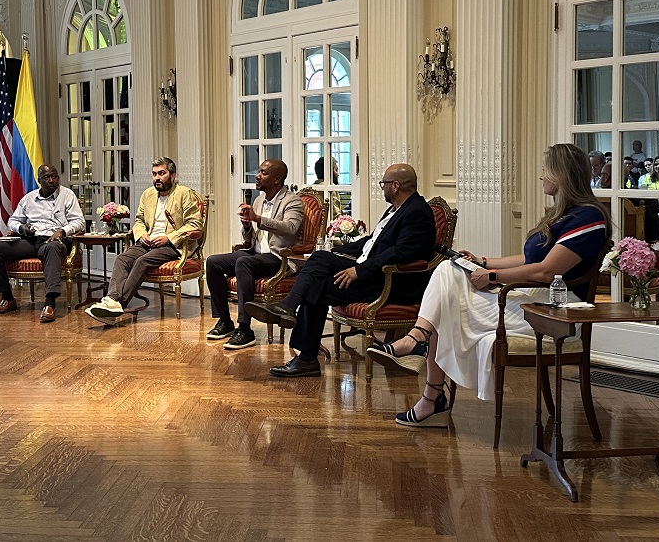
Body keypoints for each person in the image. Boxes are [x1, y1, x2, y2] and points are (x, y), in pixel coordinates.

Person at [367, 144, 610, 427]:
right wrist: (483, 262)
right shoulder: (563, 214)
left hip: (552, 309)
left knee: (445, 304)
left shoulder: (589, 217)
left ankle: (425, 374)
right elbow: (528, 258)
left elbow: (546, 271)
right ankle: (420, 353)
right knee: (449, 269)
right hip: (531, 296)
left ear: (561, 175)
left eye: (545, 170)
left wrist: (492, 276)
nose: (541, 176)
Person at [245, 163, 436, 378]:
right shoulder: (396, 209)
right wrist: (335, 250)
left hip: (388, 282)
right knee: (319, 262)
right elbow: (372, 241)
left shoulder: (417, 212)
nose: (382, 188)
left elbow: (401, 253)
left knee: (318, 285)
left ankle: (300, 342)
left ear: (396, 185)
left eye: (384, 184)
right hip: (371, 271)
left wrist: (359, 271)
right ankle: (297, 335)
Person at [205, 160, 304, 350]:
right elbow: (250, 239)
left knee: (243, 263)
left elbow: (290, 229)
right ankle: (225, 321)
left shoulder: (292, 201)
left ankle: (245, 329)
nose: (257, 176)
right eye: (258, 171)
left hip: (278, 257)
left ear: (277, 179)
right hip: (255, 253)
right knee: (213, 262)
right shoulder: (259, 200)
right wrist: (247, 225)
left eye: (263, 173)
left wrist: (258, 218)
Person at [86, 157, 201, 316]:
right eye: (154, 174)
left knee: (142, 261)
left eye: (162, 173)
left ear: (172, 176)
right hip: (148, 241)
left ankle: (118, 305)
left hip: (173, 245)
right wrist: (141, 234)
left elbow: (195, 224)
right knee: (122, 258)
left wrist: (169, 238)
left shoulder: (184, 194)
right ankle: (112, 300)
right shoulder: (148, 194)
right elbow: (139, 220)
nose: (157, 178)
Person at [0, 164, 85, 323]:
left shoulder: (67, 195)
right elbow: (12, 221)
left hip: (56, 240)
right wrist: (22, 227)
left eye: (54, 176)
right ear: (39, 180)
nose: (51, 180)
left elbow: (79, 222)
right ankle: (7, 298)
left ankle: (49, 303)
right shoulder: (29, 198)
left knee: (52, 248)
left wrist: (62, 231)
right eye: (47, 177)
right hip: (32, 240)